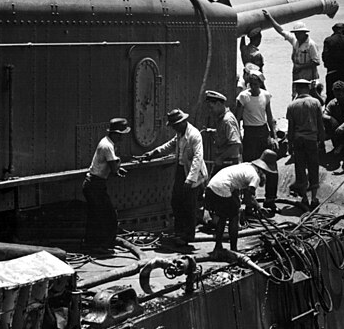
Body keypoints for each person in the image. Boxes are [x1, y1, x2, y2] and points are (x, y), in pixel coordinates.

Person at [141, 109, 208, 246]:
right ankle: (179, 232)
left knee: (189, 205)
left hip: (192, 173)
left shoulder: (194, 135)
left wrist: (190, 179)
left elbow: (198, 158)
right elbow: (170, 145)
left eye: (175, 125)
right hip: (181, 169)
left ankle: (187, 236)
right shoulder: (180, 133)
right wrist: (154, 152)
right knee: (176, 202)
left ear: (182, 122)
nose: (173, 128)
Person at [204, 150, 278, 255]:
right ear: (263, 171)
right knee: (234, 216)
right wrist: (258, 207)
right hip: (222, 187)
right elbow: (248, 198)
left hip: (212, 186)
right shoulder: (255, 177)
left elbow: (239, 188)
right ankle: (234, 249)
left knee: (223, 217)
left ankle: (218, 246)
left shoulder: (247, 166)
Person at [81, 117, 129, 255]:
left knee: (96, 216)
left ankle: (94, 244)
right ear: (117, 134)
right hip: (95, 185)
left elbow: (110, 166)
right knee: (107, 216)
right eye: (122, 135)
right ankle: (100, 245)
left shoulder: (107, 143)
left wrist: (117, 167)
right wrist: (118, 165)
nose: (123, 138)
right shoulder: (108, 146)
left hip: (94, 184)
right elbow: (113, 167)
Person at [235, 70, 278, 209]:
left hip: (263, 132)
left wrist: (274, 136)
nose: (253, 86)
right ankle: (249, 203)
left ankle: (270, 200)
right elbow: (237, 119)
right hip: (250, 134)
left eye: (255, 83)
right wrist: (238, 138)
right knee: (249, 168)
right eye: (250, 84)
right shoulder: (243, 97)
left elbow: (269, 117)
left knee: (271, 166)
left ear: (260, 83)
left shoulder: (265, 95)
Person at [286, 79, 325, 209]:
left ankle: (304, 198)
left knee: (300, 168)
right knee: (314, 167)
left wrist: (290, 144)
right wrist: (322, 141)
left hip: (298, 140)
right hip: (312, 140)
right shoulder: (316, 102)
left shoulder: (292, 105)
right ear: (308, 89)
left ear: (296, 89)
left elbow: (290, 128)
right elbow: (320, 124)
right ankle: (314, 198)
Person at [262, 9, 320, 93]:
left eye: (298, 33)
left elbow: (316, 62)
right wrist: (270, 18)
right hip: (297, 75)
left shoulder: (311, 44)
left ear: (304, 33)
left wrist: (300, 67)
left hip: (309, 77)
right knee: (295, 95)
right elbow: (281, 30)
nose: (296, 35)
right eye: (295, 33)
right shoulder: (294, 41)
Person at [205, 90, 242, 174]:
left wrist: (221, 158)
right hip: (223, 161)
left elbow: (235, 145)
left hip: (228, 163)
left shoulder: (227, 120)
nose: (210, 111)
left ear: (218, 104)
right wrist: (214, 131)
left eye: (211, 107)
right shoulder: (221, 118)